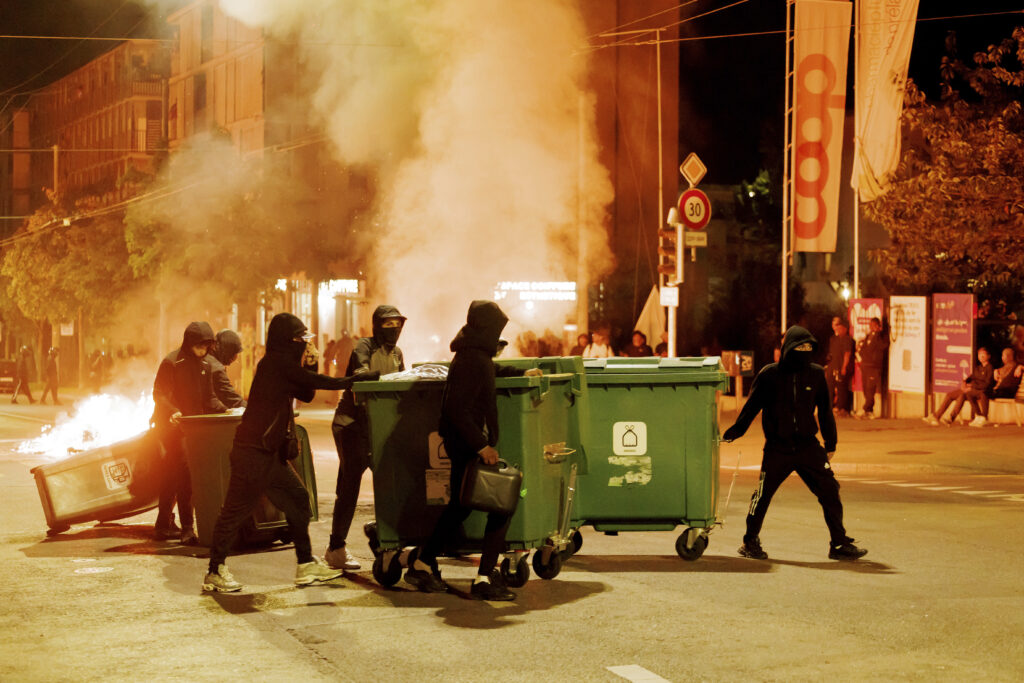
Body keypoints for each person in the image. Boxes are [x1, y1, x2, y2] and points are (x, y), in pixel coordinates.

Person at [202, 313, 378, 593]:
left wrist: (312, 360)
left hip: (267, 454)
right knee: (235, 512)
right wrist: (354, 380)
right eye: (299, 339)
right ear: (286, 340)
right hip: (252, 454)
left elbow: (306, 393)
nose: (303, 344)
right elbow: (317, 381)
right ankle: (215, 571)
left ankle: (306, 564)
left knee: (298, 499)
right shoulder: (275, 364)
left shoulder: (283, 366)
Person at [406, 301, 539, 601]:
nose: (498, 335)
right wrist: (482, 446)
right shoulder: (472, 358)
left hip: (462, 443)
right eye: (496, 329)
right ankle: (483, 579)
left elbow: (490, 372)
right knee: (502, 503)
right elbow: (456, 409)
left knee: (460, 506)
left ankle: (423, 563)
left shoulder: (474, 355)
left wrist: (521, 370)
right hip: (467, 444)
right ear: (486, 328)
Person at [722, 325, 867, 561]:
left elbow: (825, 411)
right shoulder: (769, 375)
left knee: (830, 490)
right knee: (763, 495)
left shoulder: (816, 374)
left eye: (809, 347)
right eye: (800, 347)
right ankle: (750, 541)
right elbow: (752, 407)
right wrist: (735, 432)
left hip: (808, 446)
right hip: (777, 448)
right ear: (789, 348)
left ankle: (839, 543)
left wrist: (831, 443)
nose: (805, 351)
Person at [326, 305, 407, 572]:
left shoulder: (397, 353)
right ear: (376, 326)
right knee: (350, 484)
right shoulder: (364, 346)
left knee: (389, 482)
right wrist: (370, 376)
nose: (393, 329)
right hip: (350, 423)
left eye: (397, 324)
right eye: (387, 324)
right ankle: (336, 548)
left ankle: (384, 537)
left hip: (376, 425)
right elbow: (359, 374)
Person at [152, 322, 227, 543]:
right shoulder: (172, 362)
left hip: (194, 429)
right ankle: (187, 529)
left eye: (206, 346)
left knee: (171, 476)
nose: (203, 351)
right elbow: (159, 394)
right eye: (199, 346)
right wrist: (173, 411)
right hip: (172, 429)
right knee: (186, 474)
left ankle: (162, 524)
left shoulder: (205, 364)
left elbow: (209, 397)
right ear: (189, 342)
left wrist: (227, 410)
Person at [924, 347, 994, 426]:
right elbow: (971, 377)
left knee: (963, 394)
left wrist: (972, 386)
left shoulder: (990, 368)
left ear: (988, 356)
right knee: (950, 395)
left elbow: (987, 384)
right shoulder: (978, 368)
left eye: (983, 354)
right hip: (970, 389)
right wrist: (965, 382)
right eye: (979, 354)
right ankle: (937, 416)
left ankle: (949, 417)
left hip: (977, 390)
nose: (981, 356)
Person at [855, 317, 888, 419]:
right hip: (865, 365)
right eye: (870, 325)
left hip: (874, 366)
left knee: (870, 389)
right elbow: (864, 348)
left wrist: (878, 333)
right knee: (865, 388)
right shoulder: (868, 335)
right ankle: (869, 411)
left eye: (873, 325)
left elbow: (883, 346)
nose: (871, 326)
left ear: (878, 325)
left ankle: (865, 409)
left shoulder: (881, 336)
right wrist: (861, 352)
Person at [209, 329, 247, 409]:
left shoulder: (207, 358)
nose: (232, 361)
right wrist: (252, 409)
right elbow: (230, 398)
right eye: (231, 357)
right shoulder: (216, 368)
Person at [826, 317, 854, 416]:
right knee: (829, 387)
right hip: (832, 366)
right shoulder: (833, 339)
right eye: (837, 326)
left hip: (840, 367)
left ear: (845, 329)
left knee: (841, 388)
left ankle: (841, 408)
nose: (838, 329)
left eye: (840, 327)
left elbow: (847, 354)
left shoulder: (847, 339)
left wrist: (844, 367)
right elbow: (831, 353)